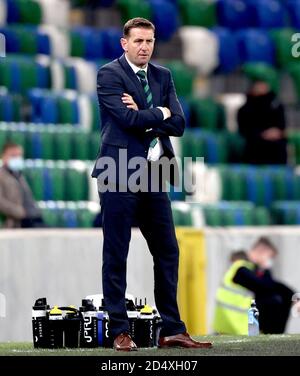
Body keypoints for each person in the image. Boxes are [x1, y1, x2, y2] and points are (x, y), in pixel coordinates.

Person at [91, 17, 212, 351]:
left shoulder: (163, 75)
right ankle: (120, 330)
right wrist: (159, 113)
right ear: (124, 43)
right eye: (139, 41)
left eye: (150, 41)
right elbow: (126, 120)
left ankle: (172, 329)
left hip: (154, 173)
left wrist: (149, 110)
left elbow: (179, 123)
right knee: (116, 252)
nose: (145, 47)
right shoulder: (109, 74)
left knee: (167, 251)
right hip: (118, 170)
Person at [213, 237, 294, 335]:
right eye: (270, 257)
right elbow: (265, 286)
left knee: (281, 295)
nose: (270, 261)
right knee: (274, 299)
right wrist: (266, 268)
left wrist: (293, 296)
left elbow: (273, 285)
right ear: (261, 252)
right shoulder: (240, 269)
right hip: (231, 327)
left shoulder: (248, 269)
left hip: (236, 326)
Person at [237, 80, 287, 165]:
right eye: (259, 85)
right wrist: (262, 134)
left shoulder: (276, 106)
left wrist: (275, 132)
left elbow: (281, 126)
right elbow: (244, 129)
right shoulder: (245, 109)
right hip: (255, 142)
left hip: (276, 143)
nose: (261, 88)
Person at [0, 142, 44, 228]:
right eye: (13, 156)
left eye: (19, 156)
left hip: (34, 217)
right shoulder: (1, 176)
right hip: (20, 221)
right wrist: (20, 212)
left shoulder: (19, 175)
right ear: (3, 156)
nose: (17, 159)